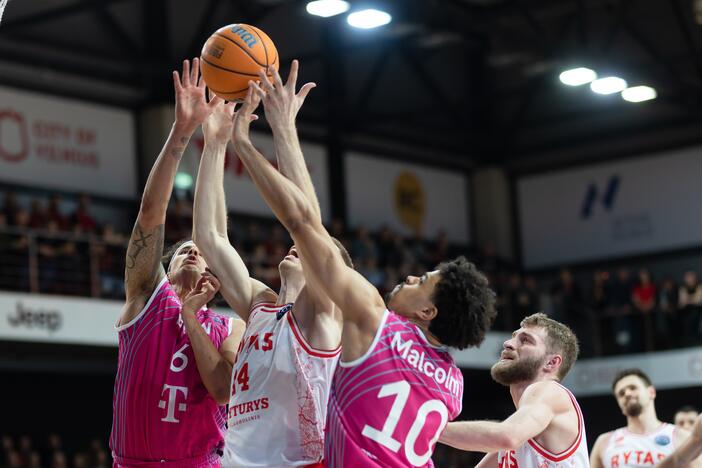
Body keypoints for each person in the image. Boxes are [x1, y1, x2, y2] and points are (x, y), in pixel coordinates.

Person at [232, 65, 497, 468]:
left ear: (428, 312)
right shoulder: (453, 385)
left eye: (422, 280)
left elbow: (305, 226)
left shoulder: (376, 323)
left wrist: (259, 137)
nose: (410, 277)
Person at [191, 61, 350, 467]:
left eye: (317, 250)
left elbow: (306, 222)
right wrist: (215, 143)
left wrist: (282, 129)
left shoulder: (322, 318)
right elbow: (210, 237)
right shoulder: (260, 307)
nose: (299, 249)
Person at [109, 58, 244, 468]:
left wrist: (190, 315)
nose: (192, 249)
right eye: (183, 248)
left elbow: (222, 389)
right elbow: (151, 214)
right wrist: (181, 132)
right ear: (164, 270)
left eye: (199, 251)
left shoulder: (229, 326)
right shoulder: (146, 298)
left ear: (212, 275)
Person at [438, 313, 588, 468]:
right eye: (513, 337)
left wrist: (427, 425)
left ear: (551, 362)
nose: (508, 343)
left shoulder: (549, 391)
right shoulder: (519, 434)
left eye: (525, 340)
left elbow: (507, 436)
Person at [590, 369, 702, 468]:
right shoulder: (604, 442)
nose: (627, 394)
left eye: (633, 388)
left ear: (651, 392)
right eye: (621, 393)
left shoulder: (682, 437)